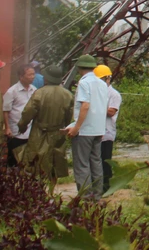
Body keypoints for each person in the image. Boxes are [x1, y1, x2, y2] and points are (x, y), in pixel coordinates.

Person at [18, 65, 74, 192]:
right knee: (54, 163)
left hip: (39, 133)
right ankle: (50, 192)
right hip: (58, 134)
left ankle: (37, 194)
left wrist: (22, 126)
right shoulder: (67, 94)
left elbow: (28, 112)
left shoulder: (39, 93)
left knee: (35, 162)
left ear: (47, 79)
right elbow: (68, 117)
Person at [66, 54, 108, 197]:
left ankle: (85, 197)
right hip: (98, 129)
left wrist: (76, 127)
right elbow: (102, 106)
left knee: (82, 164)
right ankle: (97, 195)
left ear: (79, 68)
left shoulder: (84, 83)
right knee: (96, 162)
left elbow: (85, 106)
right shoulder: (102, 84)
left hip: (84, 131)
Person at [2, 63, 38, 166]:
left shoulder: (34, 89)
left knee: (28, 158)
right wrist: (7, 128)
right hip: (15, 131)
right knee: (14, 158)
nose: (32, 77)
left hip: (30, 130)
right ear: (21, 76)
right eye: (29, 74)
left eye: (33, 74)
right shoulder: (12, 91)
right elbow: (6, 110)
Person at [94, 64, 121, 193]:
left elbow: (111, 112)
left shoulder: (114, 95)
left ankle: (106, 185)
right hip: (95, 131)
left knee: (105, 160)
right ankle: (96, 185)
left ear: (108, 79)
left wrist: (95, 107)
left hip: (107, 132)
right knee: (95, 160)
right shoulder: (96, 92)